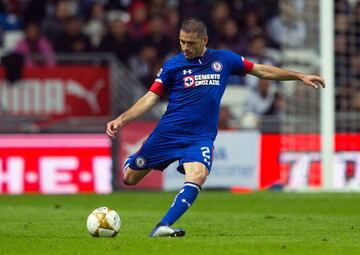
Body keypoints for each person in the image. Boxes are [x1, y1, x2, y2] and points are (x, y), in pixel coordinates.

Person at [106, 18, 325, 237]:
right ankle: (134, 159)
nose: (186, 48)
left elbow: (261, 71)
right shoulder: (173, 65)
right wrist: (121, 120)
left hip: (200, 137)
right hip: (169, 133)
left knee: (198, 174)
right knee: (130, 178)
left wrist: (298, 76)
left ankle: (162, 226)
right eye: (182, 42)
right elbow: (150, 97)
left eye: (191, 43)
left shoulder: (224, 59)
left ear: (205, 40)